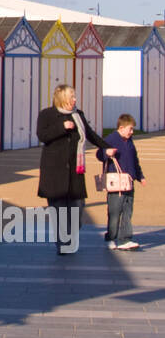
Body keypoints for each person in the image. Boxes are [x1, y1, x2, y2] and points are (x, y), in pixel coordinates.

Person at [36, 85, 117, 254]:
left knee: (77, 209)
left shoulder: (78, 115)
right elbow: (42, 136)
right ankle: (63, 245)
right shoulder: (47, 114)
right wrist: (62, 127)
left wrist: (106, 147)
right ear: (62, 98)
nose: (75, 100)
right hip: (54, 172)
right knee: (58, 212)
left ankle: (69, 237)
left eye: (74, 97)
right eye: (71, 97)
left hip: (75, 171)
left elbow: (90, 134)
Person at [96, 114, 145, 251]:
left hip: (129, 182)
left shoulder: (130, 141)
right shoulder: (111, 139)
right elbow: (99, 154)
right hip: (115, 184)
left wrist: (140, 176)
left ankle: (125, 239)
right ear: (121, 127)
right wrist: (107, 153)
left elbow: (135, 160)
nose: (132, 132)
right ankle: (111, 238)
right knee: (114, 212)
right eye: (130, 129)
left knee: (127, 211)